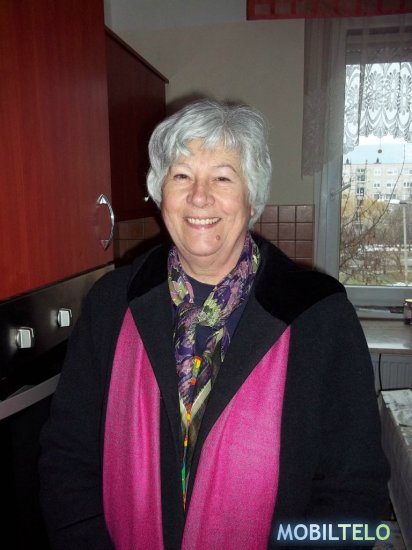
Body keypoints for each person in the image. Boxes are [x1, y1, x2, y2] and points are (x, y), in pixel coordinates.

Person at [39, 99, 389, 549]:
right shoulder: (113, 304)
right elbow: (67, 455)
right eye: (182, 176)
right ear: (160, 192)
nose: (199, 197)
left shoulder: (319, 315)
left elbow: (356, 488)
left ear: (251, 196)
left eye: (222, 178)